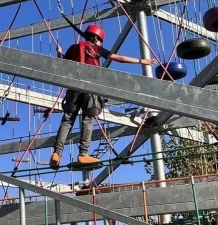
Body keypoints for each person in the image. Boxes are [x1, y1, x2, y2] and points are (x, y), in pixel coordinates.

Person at [49, 24, 157, 169]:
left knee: (67, 121)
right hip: (90, 88)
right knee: (87, 120)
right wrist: (141, 61)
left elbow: (61, 64)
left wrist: (59, 53)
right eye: (100, 40)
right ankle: (83, 154)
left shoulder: (73, 48)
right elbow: (119, 58)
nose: (101, 43)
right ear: (97, 38)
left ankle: (56, 153)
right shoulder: (97, 49)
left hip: (73, 89)